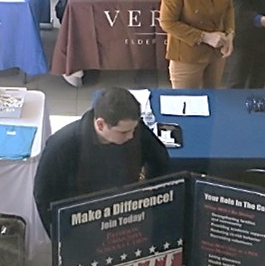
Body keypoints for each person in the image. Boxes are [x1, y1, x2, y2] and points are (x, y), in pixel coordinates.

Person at [34, 89, 171, 236]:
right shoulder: (62, 146)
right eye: (123, 132)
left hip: (129, 213)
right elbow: (44, 195)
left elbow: (160, 162)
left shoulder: (135, 130)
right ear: (100, 125)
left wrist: (152, 198)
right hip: (83, 222)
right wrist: (61, 237)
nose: (132, 136)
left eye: (134, 129)